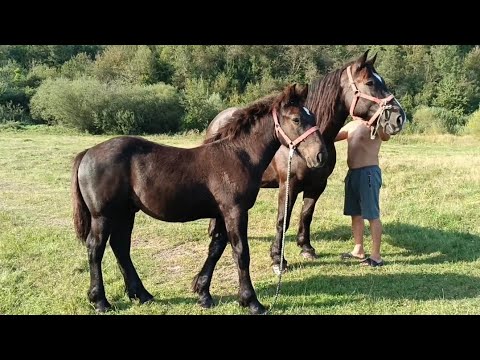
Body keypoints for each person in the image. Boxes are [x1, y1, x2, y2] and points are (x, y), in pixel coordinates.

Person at [334, 119, 390, 267]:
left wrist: (377, 124)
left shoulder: (375, 123)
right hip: (353, 173)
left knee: (372, 215)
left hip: (369, 173)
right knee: (355, 213)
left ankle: (376, 257)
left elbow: (386, 136)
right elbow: (332, 136)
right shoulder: (352, 125)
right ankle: (358, 249)